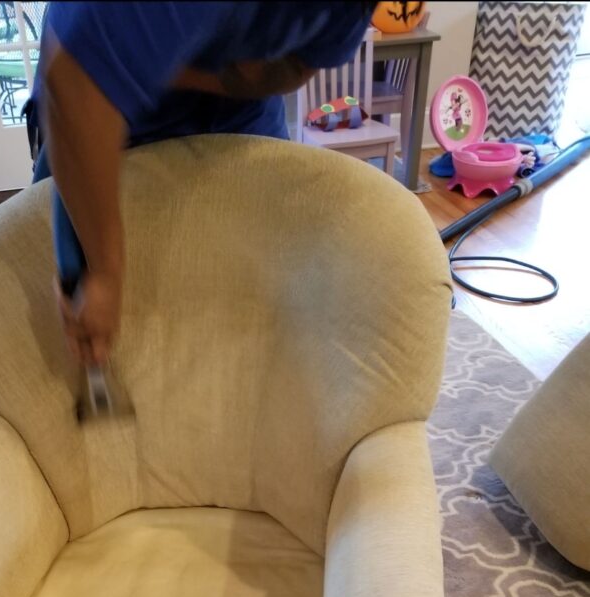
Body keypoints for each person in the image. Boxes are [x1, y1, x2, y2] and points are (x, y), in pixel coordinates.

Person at [28, 1, 377, 366]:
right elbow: (77, 82)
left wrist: (177, 72)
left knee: (270, 285)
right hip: (89, 88)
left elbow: (295, 66)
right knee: (83, 311)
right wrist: (104, 272)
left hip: (238, 106)